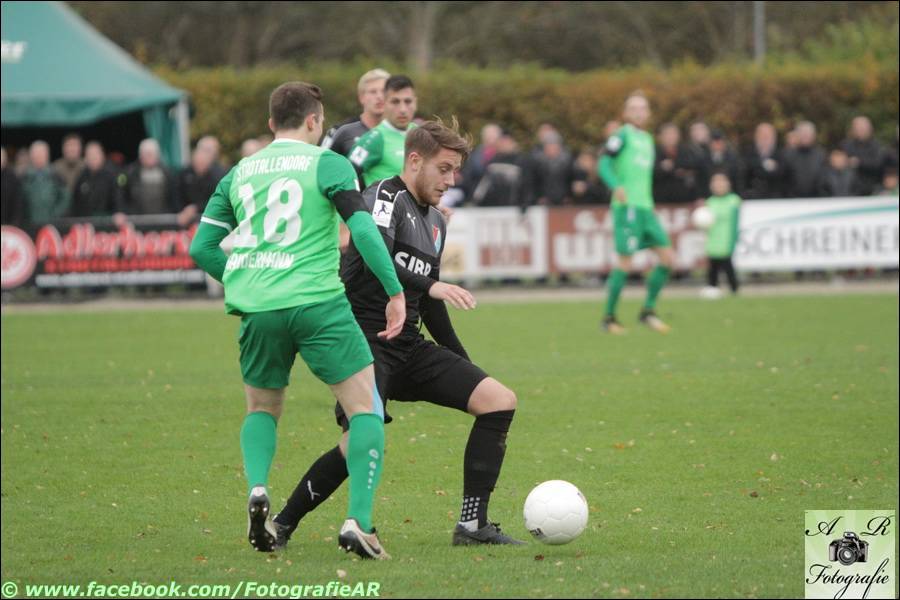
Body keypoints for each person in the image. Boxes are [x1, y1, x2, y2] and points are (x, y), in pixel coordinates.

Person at [273, 119, 523, 548]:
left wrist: (462, 362)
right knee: (360, 440)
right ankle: (281, 524)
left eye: (455, 171)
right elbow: (379, 258)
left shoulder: (437, 222)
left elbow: (429, 303)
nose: (451, 180)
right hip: (363, 343)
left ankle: (472, 525)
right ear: (415, 160)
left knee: (498, 401)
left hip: (409, 344)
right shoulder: (383, 197)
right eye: (443, 169)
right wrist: (431, 285)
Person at [189, 81, 407, 559]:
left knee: (262, 409)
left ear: (271, 124)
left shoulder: (240, 171)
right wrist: (394, 291)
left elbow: (201, 247)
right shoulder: (328, 163)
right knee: (365, 410)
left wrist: (244, 280)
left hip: (259, 309)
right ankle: (359, 523)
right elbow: (363, 228)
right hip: (318, 303)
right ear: (314, 121)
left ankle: (258, 487)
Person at [598, 92, 675, 334]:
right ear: (625, 113)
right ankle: (609, 318)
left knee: (668, 258)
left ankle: (647, 311)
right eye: (633, 108)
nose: (638, 112)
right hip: (627, 208)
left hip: (646, 208)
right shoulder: (621, 135)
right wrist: (615, 185)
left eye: (642, 108)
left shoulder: (648, 139)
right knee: (626, 262)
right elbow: (603, 163)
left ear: (648, 113)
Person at [349, 75, 418, 188]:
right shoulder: (374, 138)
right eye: (395, 102)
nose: (403, 109)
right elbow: (346, 175)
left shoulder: (421, 134)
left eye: (408, 101)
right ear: (384, 103)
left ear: (415, 102)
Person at [322, 69, 390, 159]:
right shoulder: (339, 131)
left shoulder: (403, 132)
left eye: (384, 91)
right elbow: (322, 162)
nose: (379, 96)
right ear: (361, 97)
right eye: (373, 92)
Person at [701, 172, 741, 298]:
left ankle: (734, 290)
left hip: (726, 237)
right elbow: (704, 221)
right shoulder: (710, 202)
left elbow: (736, 220)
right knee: (713, 266)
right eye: (715, 182)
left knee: (727, 265)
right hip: (713, 237)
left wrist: (734, 238)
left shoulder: (734, 200)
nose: (718, 185)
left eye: (721, 182)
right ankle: (712, 288)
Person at [120, 138, 177, 215]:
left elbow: (174, 197)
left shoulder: (168, 173)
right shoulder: (129, 173)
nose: (148, 157)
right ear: (140, 155)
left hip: (163, 218)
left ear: (157, 155)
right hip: (137, 218)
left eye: (151, 154)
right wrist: (123, 211)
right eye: (146, 154)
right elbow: (121, 193)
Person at [21, 140, 70, 227]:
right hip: (29, 224)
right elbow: (19, 201)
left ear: (47, 155)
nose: (38, 157)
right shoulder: (24, 177)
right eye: (36, 154)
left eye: (41, 154)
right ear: (31, 156)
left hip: (52, 224)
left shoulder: (56, 175)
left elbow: (66, 197)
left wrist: (56, 214)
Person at [71, 141, 124, 218]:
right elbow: (75, 203)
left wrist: (119, 212)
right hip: (86, 221)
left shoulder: (112, 175)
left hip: (107, 221)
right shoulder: (81, 177)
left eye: (96, 154)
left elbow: (119, 199)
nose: (93, 157)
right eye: (90, 154)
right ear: (85, 158)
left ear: (102, 155)